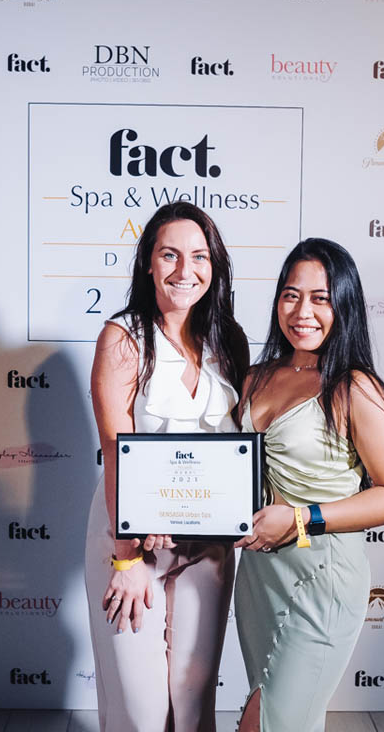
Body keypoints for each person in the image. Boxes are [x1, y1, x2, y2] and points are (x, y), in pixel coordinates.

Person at [232, 238, 384, 732]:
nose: (302, 312)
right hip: (259, 575)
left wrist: (301, 518)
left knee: (268, 722)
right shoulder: (255, 378)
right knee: (282, 716)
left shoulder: (355, 387)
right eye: (291, 295)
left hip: (322, 575)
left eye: (320, 298)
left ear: (344, 305)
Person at [85, 202, 249, 732]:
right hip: (133, 538)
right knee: (142, 713)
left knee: (193, 705)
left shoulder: (229, 339)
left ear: (214, 266)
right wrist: (126, 557)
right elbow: (115, 448)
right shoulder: (124, 337)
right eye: (170, 255)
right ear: (148, 263)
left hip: (209, 544)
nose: (185, 270)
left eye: (199, 256)